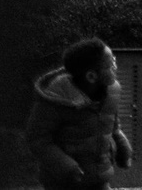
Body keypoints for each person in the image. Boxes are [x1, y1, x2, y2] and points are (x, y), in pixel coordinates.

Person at [23, 37, 134, 190]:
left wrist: (123, 147)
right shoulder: (55, 98)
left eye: (114, 60)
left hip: (99, 178)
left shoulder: (113, 90)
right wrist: (68, 167)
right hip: (62, 182)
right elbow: (37, 139)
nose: (116, 66)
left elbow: (112, 125)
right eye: (110, 64)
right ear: (91, 76)